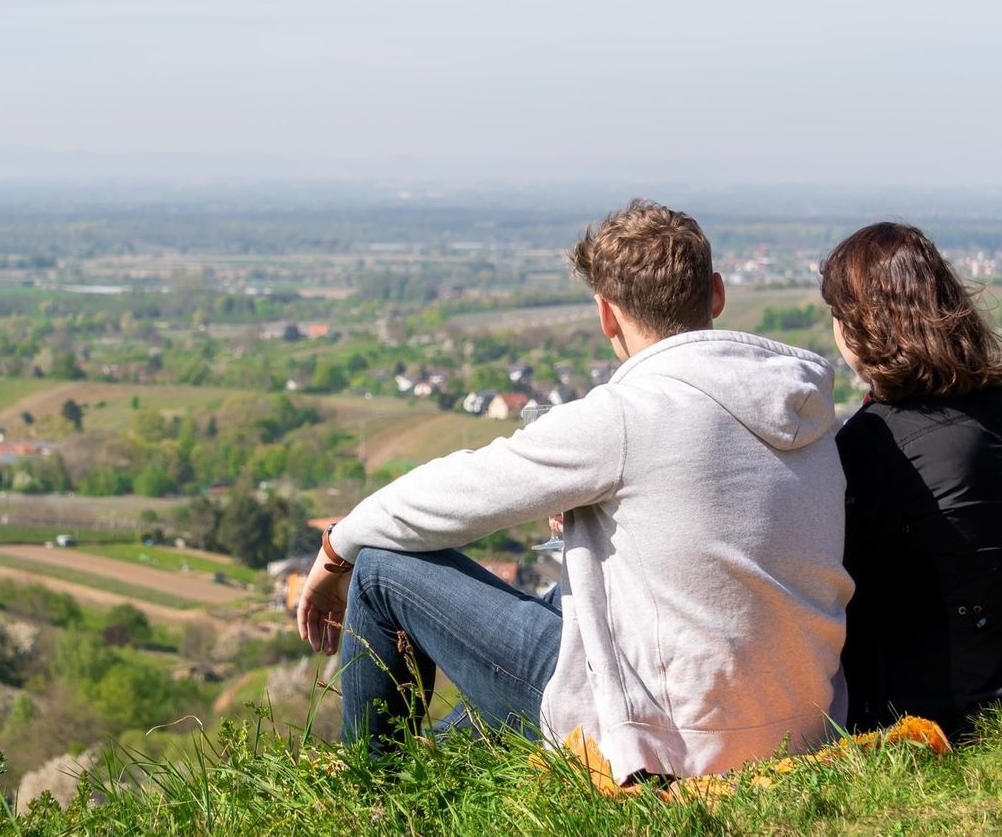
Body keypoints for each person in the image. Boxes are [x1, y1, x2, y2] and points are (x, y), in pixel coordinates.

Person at [296, 200, 853, 781]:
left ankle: (373, 788)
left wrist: (338, 547)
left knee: (383, 565)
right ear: (715, 295)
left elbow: (452, 494)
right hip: (800, 721)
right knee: (565, 599)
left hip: (674, 736)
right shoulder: (807, 410)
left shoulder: (629, 414)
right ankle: (446, 751)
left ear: (606, 314)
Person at [821, 222, 1002, 738]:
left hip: (943, 705)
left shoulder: (876, 440)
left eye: (837, 314)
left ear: (862, 325)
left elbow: (838, 585)